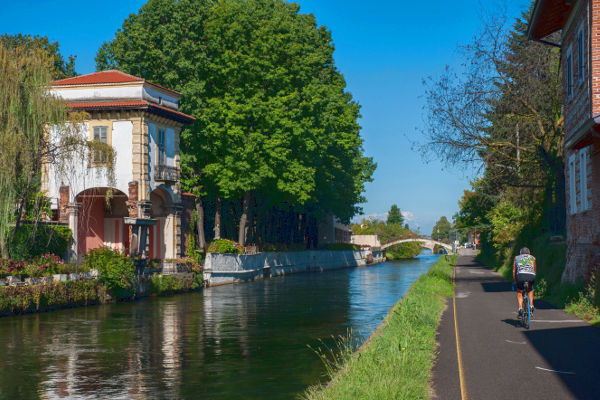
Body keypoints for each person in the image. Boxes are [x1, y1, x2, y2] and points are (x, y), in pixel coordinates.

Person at [513, 247, 536, 318]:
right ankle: (531, 306)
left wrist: (515, 281)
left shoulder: (517, 258)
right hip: (531, 276)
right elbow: (534, 270)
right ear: (529, 253)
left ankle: (520, 308)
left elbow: (514, 270)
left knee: (520, 292)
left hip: (521, 275)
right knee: (530, 290)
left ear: (520, 253)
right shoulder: (533, 258)